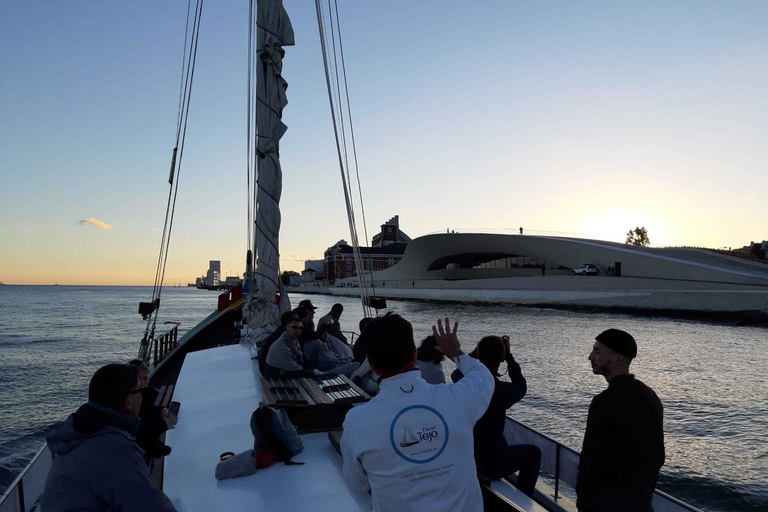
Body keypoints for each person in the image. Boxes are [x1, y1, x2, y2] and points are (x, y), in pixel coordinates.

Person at [341, 314, 494, 512]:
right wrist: (455, 353)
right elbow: (483, 377)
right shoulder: (457, 399)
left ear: (371, 364)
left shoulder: (357, 422)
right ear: (414, 354)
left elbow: (358, 484)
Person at [41, 363, 177, 511]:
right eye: (141, 390)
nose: (143, 395)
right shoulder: (115, 448)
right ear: (129, 401)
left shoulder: (78, 433)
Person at [576, 329, 665, 512]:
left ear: (618, 359)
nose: (590, 356)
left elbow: (591, 459)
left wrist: (584, 500)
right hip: (640, 502)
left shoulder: (603, 402)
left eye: (598, 351)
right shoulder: (650, 397)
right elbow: (657, 455)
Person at [452, 335, 541, 497]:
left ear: (478, 356)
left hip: (465, 456)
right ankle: (524, 497)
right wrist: (509, 357)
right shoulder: (501, 391)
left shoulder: (464, 381)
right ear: (501, 358)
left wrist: (474, 353)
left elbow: (456, 372)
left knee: (502, 441)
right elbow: (520, 385)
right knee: (534, 453)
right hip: (486, 463)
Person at [128, 359, 177, 461]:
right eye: (141, 379)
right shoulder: (130, 399)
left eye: (146, 379)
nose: (145, 382)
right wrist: (160, 425)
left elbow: (145, 410)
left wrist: (160, 410)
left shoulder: (143, 393)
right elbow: (135, 429)